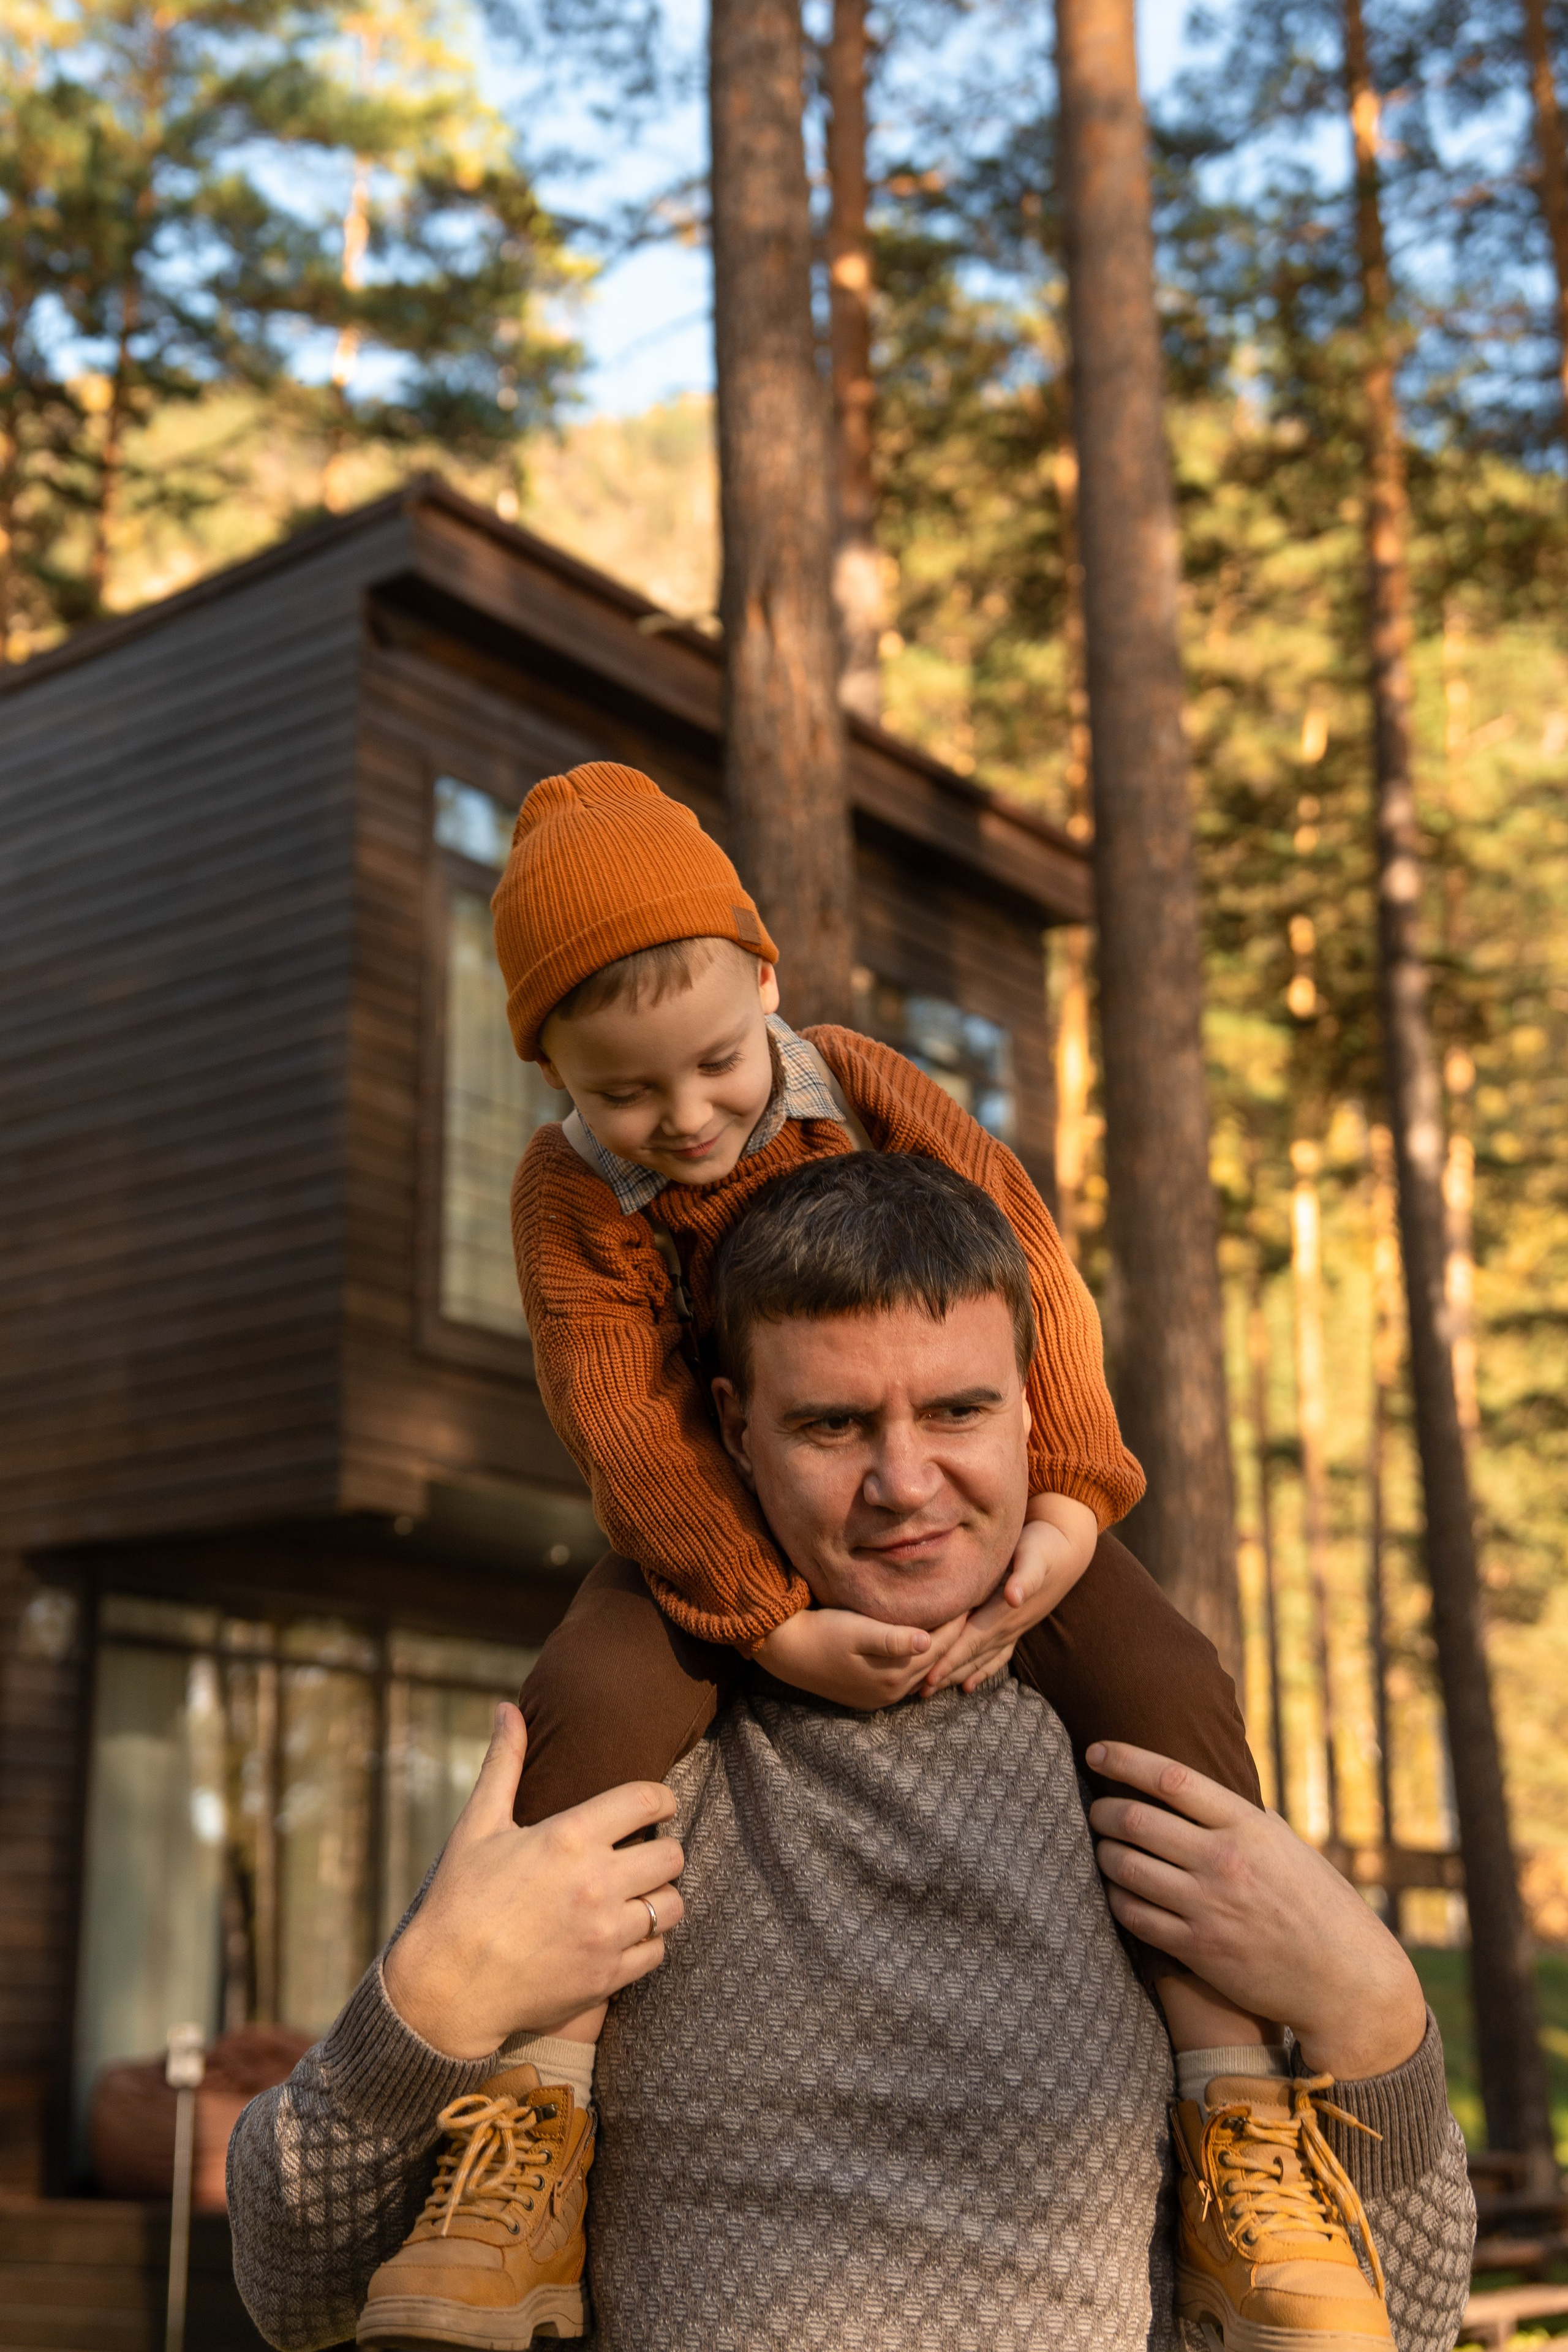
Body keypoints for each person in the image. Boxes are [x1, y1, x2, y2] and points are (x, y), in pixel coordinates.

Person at [229, 1156, 1476, 2352]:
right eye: (832, 1423)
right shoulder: (620, 1772)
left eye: (956, 1410)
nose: (903, 1480)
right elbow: (294, 2291)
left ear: (1031, 1408)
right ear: (734, 1427)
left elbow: (1405, 2326)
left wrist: (1372, 2018)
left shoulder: (1146, 1778)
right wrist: (429, 2006)